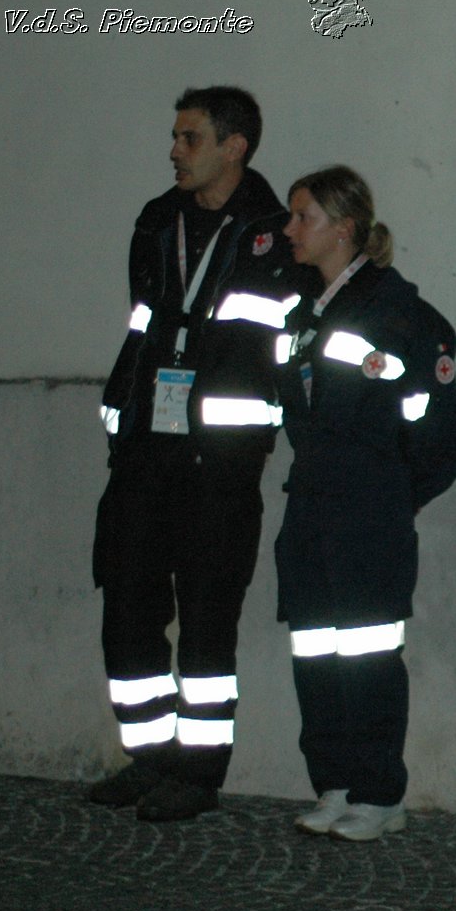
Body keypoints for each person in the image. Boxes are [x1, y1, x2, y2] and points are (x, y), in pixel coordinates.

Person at [90, 86, 309, 822]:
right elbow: (144, 327)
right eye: (176, 136)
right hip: (146, 455)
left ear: (233, 147)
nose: (174, 151)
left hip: (220, 465)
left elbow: (287, 348)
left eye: (190, 138)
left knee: (209, 620)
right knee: (127, 605)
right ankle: (148, 757)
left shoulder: (276, 235)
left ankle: (197, 773)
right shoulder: (158, 222)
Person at [275, 166, 456, 842]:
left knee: (367, 659)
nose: (290, 229)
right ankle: (335, 784)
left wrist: (389, 495)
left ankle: (380, 794)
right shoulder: (304, 311)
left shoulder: (396, 312)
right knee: (316, 655)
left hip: (367, 513)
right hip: (312, 510)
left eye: (304, 217)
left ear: (345, 228)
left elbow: (437, 431)